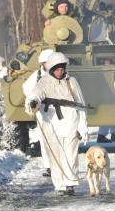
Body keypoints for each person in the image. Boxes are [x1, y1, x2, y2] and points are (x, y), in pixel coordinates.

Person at [25, 52, 89, 196]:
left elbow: (81, 104)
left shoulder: (72, 82)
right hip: (52, 123)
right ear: (52, 69)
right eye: (57, 69)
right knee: (55, 156)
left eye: (62, 69)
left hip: (71, 121)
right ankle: (60, 184)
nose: (60, 72)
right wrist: (33, 102)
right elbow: (35, 94)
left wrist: (83, 126)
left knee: (71, 155)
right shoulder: (44, 82)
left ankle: (70, 183)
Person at [22, 49, 54, 177]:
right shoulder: (37, 75)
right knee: (44, 138)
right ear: (43, 63)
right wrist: (34, 100)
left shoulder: (61, 73)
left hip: (59, 111)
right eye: (48, 61)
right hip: (43, 111)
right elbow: (27, 88)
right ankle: (48, 166)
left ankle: (60, 165)